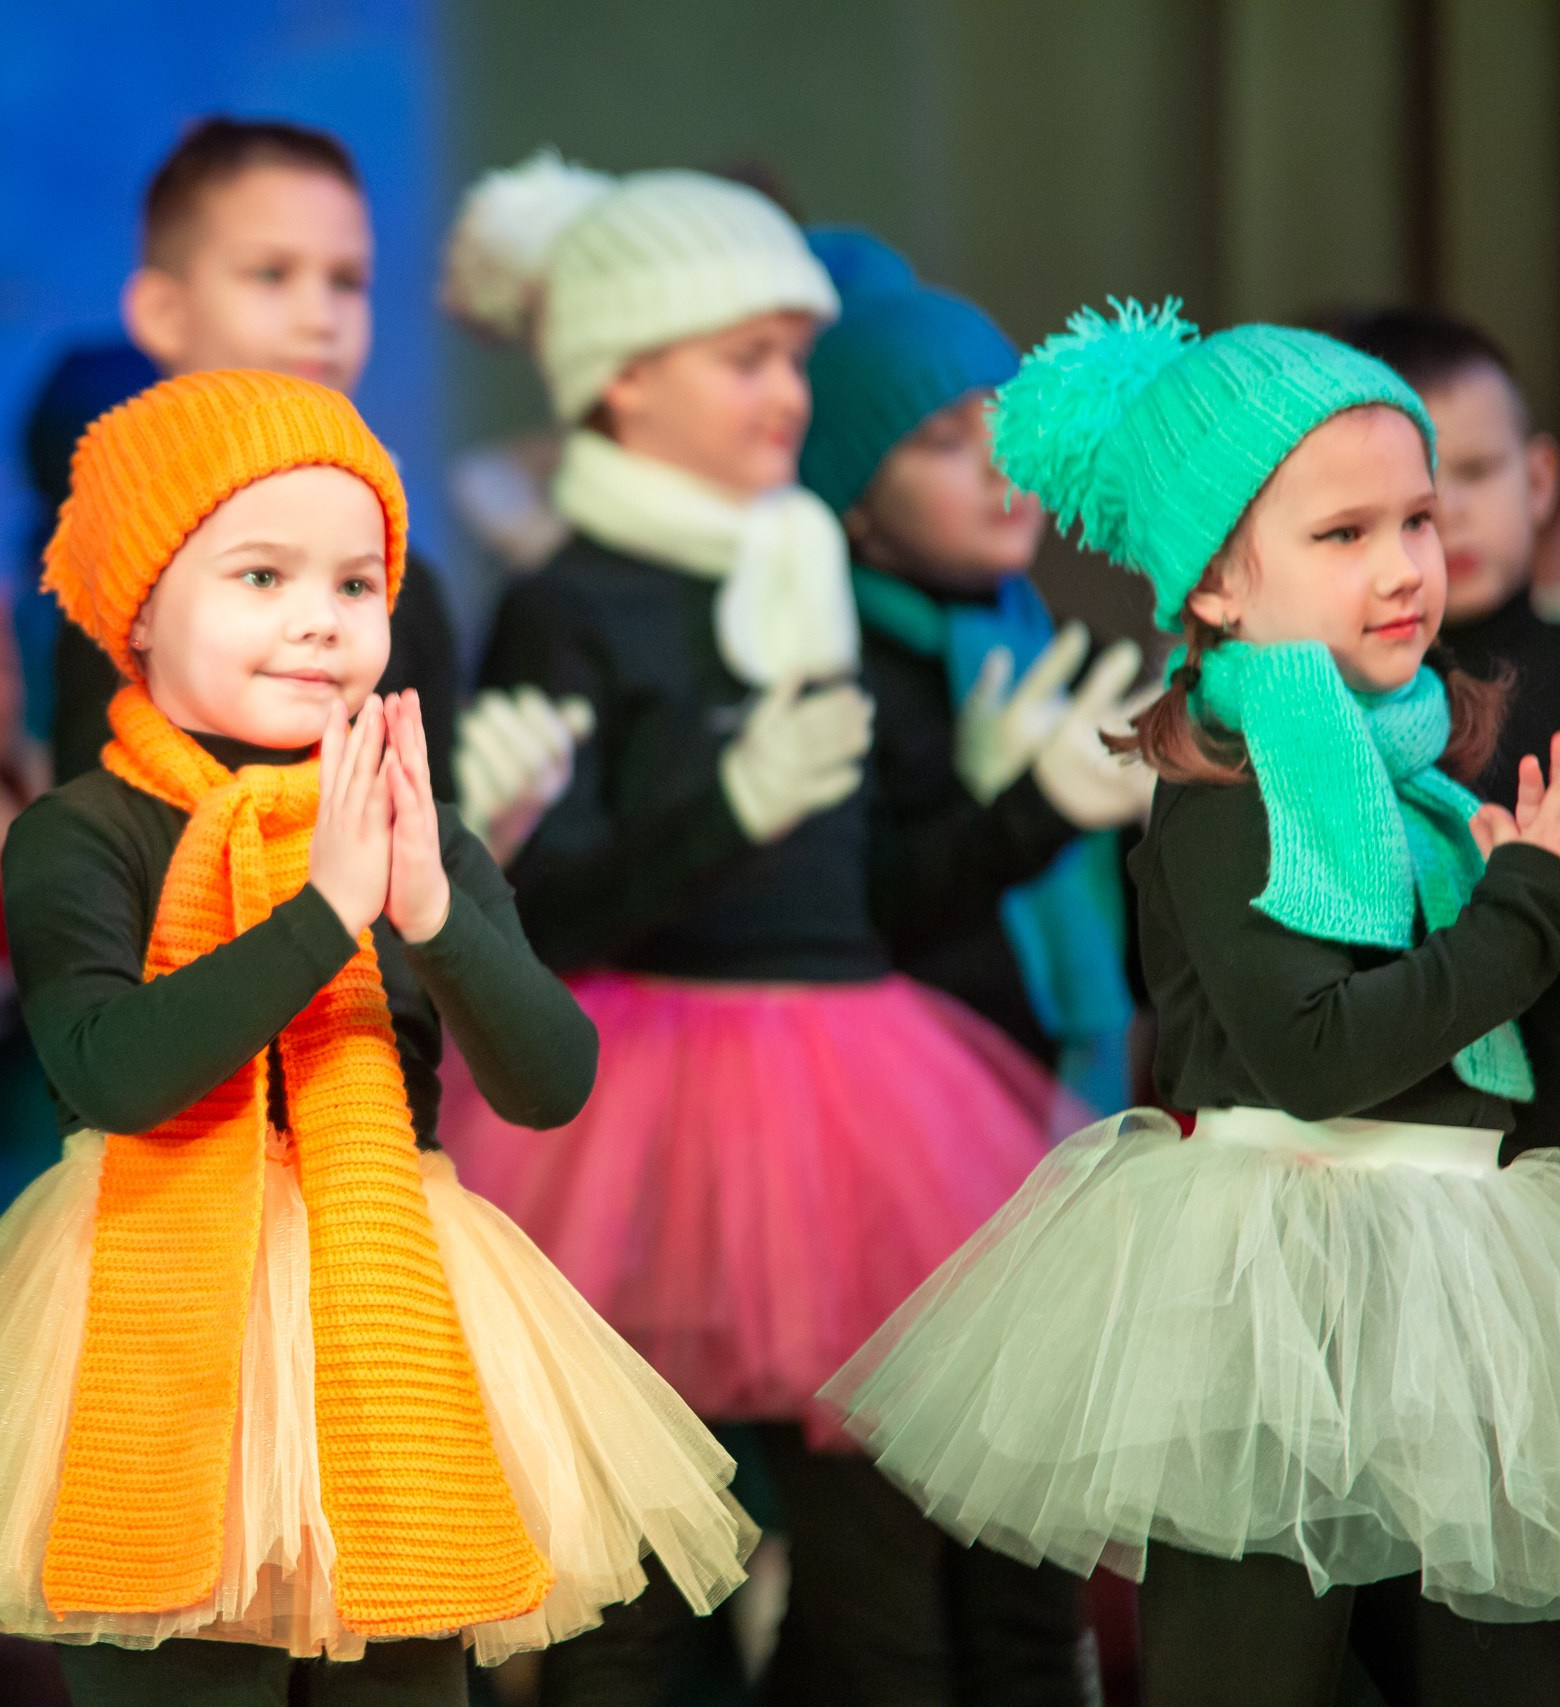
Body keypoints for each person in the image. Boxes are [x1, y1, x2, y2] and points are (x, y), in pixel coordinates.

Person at [0, 369, 759, 1705]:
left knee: (408, 1667)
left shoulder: (408, 814)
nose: (319, 621)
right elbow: (113, 1067)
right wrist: (325, 914)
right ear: (142, 606)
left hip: (393, 1294)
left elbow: (551, 1078)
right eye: (261, 577)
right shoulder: (86, 827)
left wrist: (424, 903)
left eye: (357, 585)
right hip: (146, 1294)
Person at [824, 301, 1560, 1705]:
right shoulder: (1227, 792)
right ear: (1216, 586)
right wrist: (1527, 911)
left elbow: (1498, 1059)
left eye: (1415, 519)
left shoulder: (1428, 788)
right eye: (1342, 536)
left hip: (1453, 1280)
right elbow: (1315, 1053)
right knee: (1252, 1669)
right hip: (1270, 1290)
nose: (1409, 563)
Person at [440, 158, 1072, 1704]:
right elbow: (561, 904)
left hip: (859, 1088)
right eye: (747, 356)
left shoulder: (809, 568)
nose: (788, 388)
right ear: (626, 379)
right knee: (640, 1602)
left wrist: (1009, 811)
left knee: (886, 1595)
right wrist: (724, 799)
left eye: (795, 352)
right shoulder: (570, 597)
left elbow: (856, 888)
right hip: (637, 1105)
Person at [804, 229, 1152, 1114]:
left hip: (1075, 1096)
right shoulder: (835, 665)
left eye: (1011, 419)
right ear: (852, 503)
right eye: (944, 440)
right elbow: (867, 912)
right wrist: (1029, 806)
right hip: (912, 1107)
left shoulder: (1058, 643)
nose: (1004, 463)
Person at [48, 118, 460, 793]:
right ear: (164, 312)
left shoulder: (406, 583)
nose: (319, 316)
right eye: (271, 273)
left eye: (347, 281)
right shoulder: (120, 570)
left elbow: (440, 853)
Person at [1331, 308, 1560, 812]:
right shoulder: (1335, 704)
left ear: (1540, 482)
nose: (1448, 511)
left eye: (1477, 471)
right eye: (1416, 490)